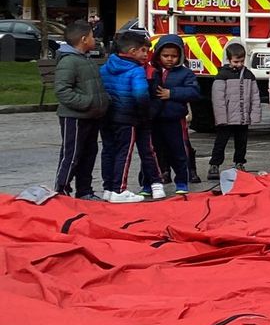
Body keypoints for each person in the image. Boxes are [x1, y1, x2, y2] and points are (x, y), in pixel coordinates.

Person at [98, 32, 156, 203]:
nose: (146, 55)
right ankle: (119, 189)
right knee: (125, 152)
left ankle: (108, 188)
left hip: (107, 116)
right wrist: (145, 115)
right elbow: (140, 95)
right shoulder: (136, 70)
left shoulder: (106, 67)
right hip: (128, 117)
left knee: (108, 151)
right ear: (132, 51)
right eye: (143, 51)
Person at [53, 21, 107, 199]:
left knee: (89, 153)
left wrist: (104, 101)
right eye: (92, 36)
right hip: (75, 117)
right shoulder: (69, 61)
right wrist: (88, 102)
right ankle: (61, 189)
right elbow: (62, 91)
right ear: (84, 39)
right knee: (72, 154)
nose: (95, 39)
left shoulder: (85, 59)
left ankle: (84, 190)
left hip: (92, 116)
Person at [148, 35, 201, 196]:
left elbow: (194, 92)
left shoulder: (185, 73)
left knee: (178, 151)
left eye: (174, 56)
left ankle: (182, 181)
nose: (170, 59)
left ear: (180, 56)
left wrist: (171, 93)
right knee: (153, 152)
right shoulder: (152, 71)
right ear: (158, 55)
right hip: (154, 119)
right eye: (166, 56)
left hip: (175, 119)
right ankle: (151, 182)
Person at [208, 42, 260, 179]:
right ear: (229, 60)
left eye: (242, 61)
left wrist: (253, 115)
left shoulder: (249, 75)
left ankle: (239, 162)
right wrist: (221, 118)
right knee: (220, 142)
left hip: (242, 118)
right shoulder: (222, 75)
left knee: (241, 143)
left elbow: (254, 97)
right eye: (236, 61)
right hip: (227, 118)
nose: (239, 64)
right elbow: (218, 99)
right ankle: (214, 164)